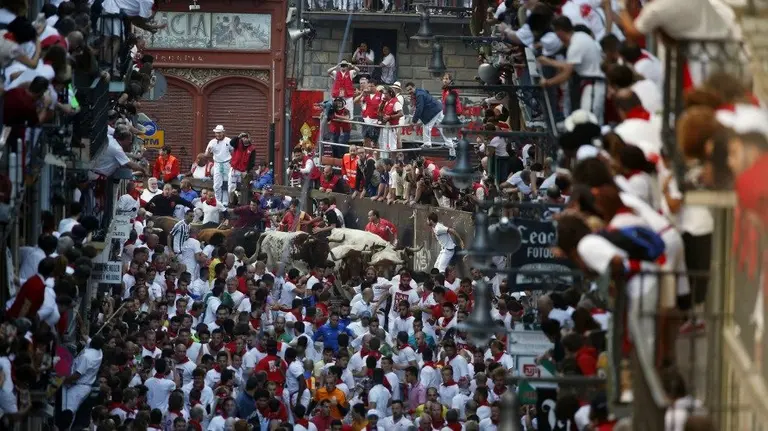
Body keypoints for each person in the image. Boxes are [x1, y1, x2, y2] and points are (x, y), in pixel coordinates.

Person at [539, 16, 607, 123]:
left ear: (560, 31)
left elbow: (566, 73)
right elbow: (569, 66)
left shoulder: (575, 45)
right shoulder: (580, 37)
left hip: (593, 84)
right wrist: (549, 62)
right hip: (590, 84)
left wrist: (547, 82)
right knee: (590, 121)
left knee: (588, 121)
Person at [405, 82, 447, 149]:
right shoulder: (419, 92)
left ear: (414, 87)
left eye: (410, 89)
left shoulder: (419, 95)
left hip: (433, 110)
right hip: (437, 108)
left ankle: (427, 144)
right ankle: (450, 142)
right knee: (442, 126)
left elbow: (419, 109)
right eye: (408, 90)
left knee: (427, 126)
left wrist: (414, 121)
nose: (409, 91)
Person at [205, 125, 232, 206]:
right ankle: (217, 201)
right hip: (217, 163)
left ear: (223, 132)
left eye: (219, 133)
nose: (218, 135)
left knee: (226, 183)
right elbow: (206, 154)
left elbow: (233, 151)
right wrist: (209, 152)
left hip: (227, 163)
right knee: (216, 185)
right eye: (216, 133)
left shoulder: (228, 141)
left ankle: (225, 202)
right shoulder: (212, 142)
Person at [228, 132, 257, 202]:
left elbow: (252, 162)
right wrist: (238, 136)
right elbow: (231, 143)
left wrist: (246, 170)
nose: (245, 139)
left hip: (243, 171)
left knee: (242, 188)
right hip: (234, 169)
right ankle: (231, 202)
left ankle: (239, 203)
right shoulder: (237, 143)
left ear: (250, 138)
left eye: (246, 137)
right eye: (243, 137)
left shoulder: (252, 149)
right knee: (231, 188)